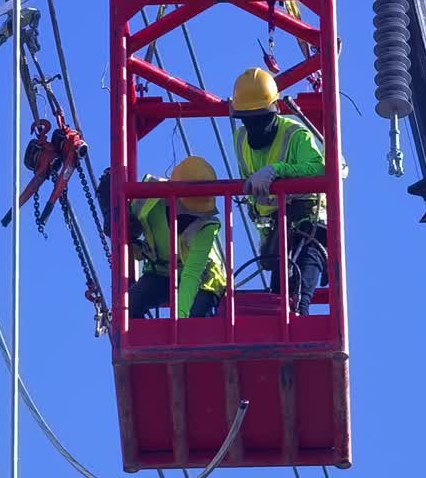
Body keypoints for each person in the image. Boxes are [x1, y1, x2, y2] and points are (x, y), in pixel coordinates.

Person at [231, 67, 328, 315]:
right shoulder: (241, 139)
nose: (254, 126)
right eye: (248, 119)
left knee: (307, 250)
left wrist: (277, 170)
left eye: (261, 118)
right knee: (279, 292)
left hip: (308, 216)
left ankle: (300, 310)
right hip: (276, 225)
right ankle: (287, 316)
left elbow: (320, 169)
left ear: (274, 110)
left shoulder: (294, 134)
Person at [98, 156, 227, 319]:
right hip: (161, 272)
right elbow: (122, 217)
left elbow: (192, 275)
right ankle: (143, 342)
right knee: (126, 309)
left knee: (194, 321)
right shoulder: (149, 198)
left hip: (203, 278)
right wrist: (111, 214)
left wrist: (180, 319)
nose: (192, 216)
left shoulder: (206, 227)